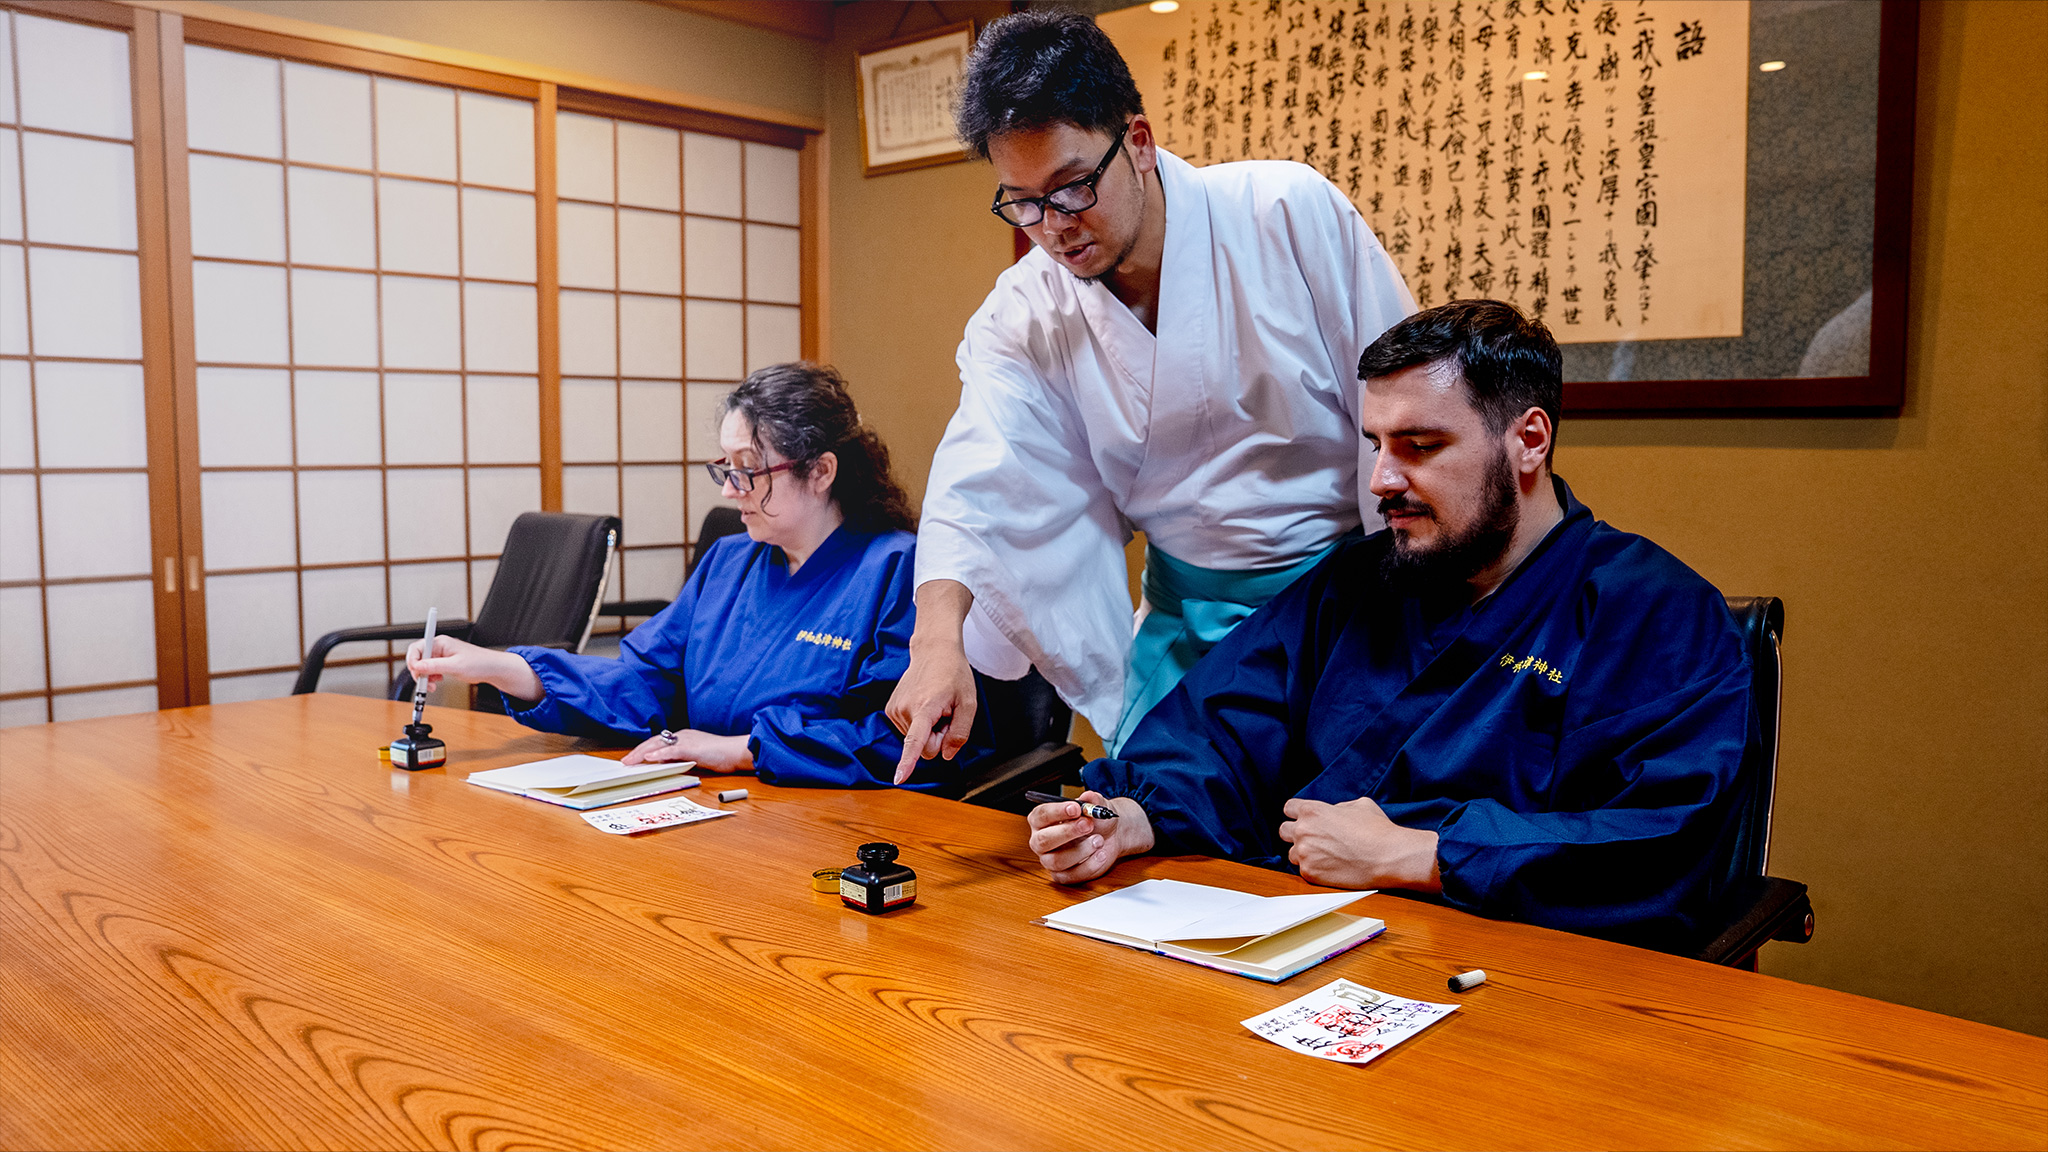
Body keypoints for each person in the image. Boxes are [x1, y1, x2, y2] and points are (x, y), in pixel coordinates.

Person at [1025, 301, 1756, 949]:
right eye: (1377, 443)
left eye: (1421, 446)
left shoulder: (1654, 615)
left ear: (1529, 440)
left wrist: (1421, 855)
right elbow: (1224, 729)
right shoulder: (1359, 583)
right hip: (1310, 944)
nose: (1381, 480)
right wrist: (1128, 814)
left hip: (1526, 980)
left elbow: (1666, 840)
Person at [886, 8, 1415, 780]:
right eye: (1021, 202)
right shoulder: (1026, 311)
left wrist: (1413, 613)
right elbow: (979, 475)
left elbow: (1404, 409)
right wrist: (935, 641)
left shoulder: (1285, 213)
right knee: (1162, 859)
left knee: (1333, 847)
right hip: (1184, 632)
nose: (1052, 227)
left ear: (1137, 142)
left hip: (1348, 615)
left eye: (1070, 189)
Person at [408, 362, 982, 789]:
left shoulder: (899, 570)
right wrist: (502, 666)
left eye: (749, 472)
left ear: (821, 471)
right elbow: (644, 681)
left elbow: (900, 740)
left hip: (836, 825)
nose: (731, 492)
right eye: (724, 470)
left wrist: (742, 750)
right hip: (713, 810)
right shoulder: (729, 561)